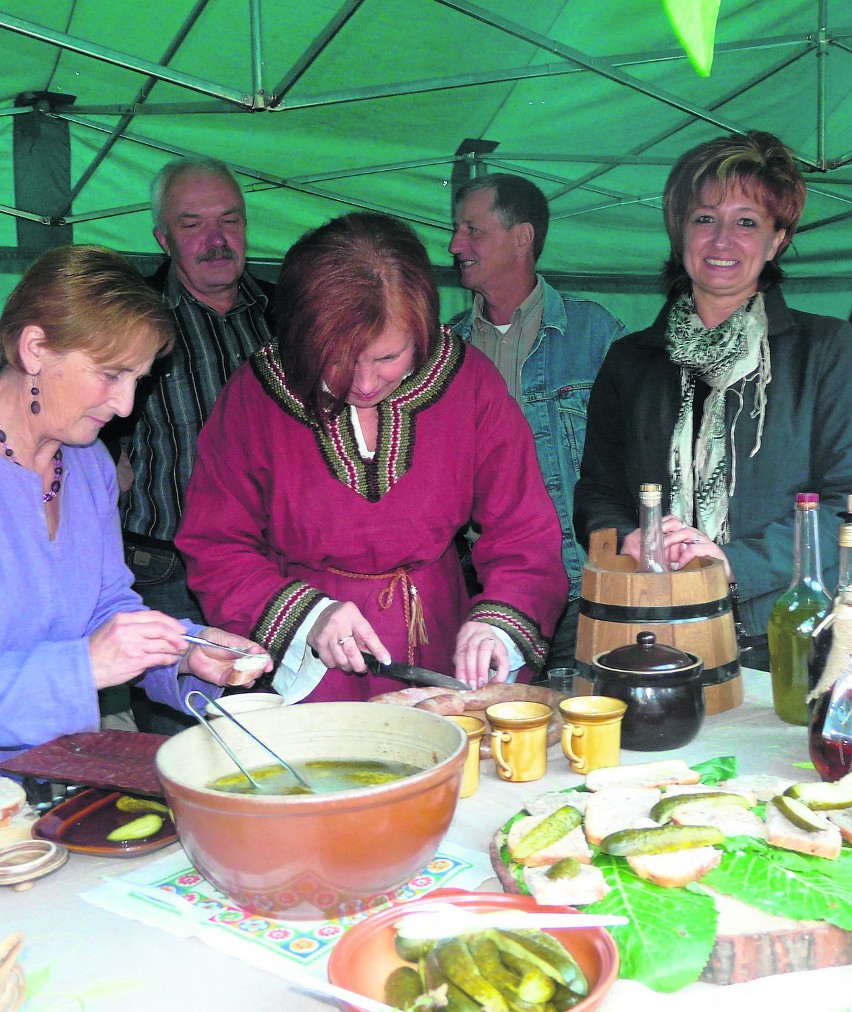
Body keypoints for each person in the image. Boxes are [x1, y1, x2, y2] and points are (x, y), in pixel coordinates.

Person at [176, 212, 568, 701]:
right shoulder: (257, 396)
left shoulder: (467, 382)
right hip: (314, 665)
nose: (363, 383)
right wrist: (309, 614)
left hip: (442, 651)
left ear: (421, 331)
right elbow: (216, 543)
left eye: (388, 357)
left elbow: (523, 529)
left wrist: (497, 626)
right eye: (339, 358)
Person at [574, 130, 852, 667]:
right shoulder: (631, 360)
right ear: (679, 232)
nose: (722, 240)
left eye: (747, 222)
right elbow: (597, 490)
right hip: (653, 628)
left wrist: (730, 562)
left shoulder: (827, 350)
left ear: (777, 240)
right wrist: (631, 538)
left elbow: (846, 506)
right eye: (704, 218)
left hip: (793, 640)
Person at [0, 245, 272, 761]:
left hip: (51, 783)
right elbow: (90, 654)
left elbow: (107, 608)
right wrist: (84, 668)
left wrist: (187, 652)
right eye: (110, 373)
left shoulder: (87, 465)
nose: (125, 405)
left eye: (138, 381)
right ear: (34, 348)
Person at [107, 156, 275, 732]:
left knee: (274, 736)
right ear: (163, 237)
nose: (216, 239)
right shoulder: (133, 318)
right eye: (192, 223)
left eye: (229, 220)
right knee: (184, 751)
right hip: (165, 569)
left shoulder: (287, 314)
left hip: (268, 567)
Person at [448, 173, 629, 672]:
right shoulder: (445, 351)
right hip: (491, 593)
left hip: (585, 587)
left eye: (472, 229)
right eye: (456, 230)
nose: (454, 244)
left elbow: (641, 464)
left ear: (522, 238)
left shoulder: (598, 333)